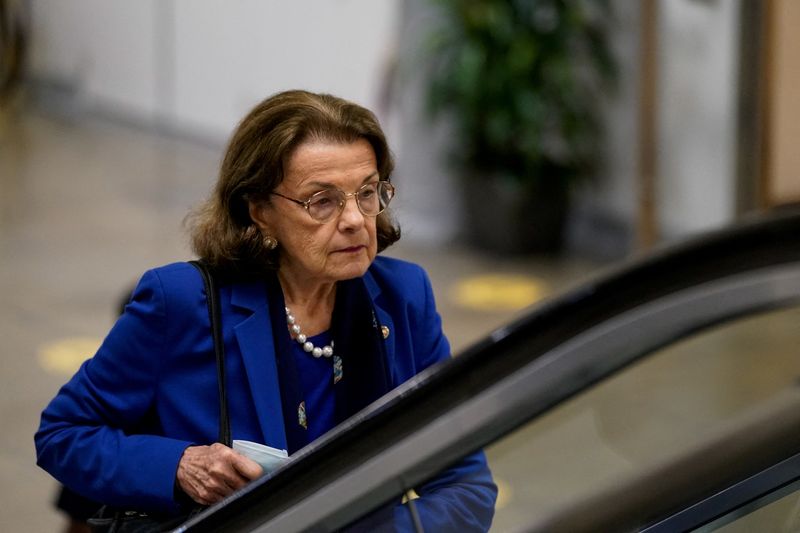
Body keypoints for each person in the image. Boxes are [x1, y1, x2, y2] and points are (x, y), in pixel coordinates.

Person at [35, 89, 497, 530]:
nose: (356, 219)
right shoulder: (179, 301)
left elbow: (465, 481)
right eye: (323, 201)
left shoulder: (404, 296)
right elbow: (63, 433)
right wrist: (179, 467)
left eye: (367, 192)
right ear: (259, 210)